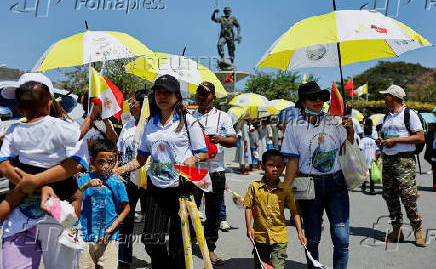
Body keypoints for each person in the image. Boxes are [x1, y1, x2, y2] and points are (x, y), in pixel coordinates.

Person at [115, 75, 208, 269]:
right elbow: (141, 158)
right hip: (156, 189)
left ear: (177, 96)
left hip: (182, 188)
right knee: (152, 242)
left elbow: (203, 153)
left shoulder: (188, 121)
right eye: (159, 92)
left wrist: (193, 159)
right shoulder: (150, 123)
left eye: (167, 93)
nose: (162, 96)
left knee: (178, 245)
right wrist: (120, 169)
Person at [0, 74, 87, 269]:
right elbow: (4, 165)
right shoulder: (14, 131)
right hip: (21, 217)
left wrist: (33, 182)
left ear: (49, 101)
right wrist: (37, 187)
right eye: (21, 100)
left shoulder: (67, 128)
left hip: (59, 216)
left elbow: (75, 165)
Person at [281, 81, 354, 269]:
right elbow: (293, 162)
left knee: (341, 238)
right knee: (312, 238)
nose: (319, 101)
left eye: (321, 97)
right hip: (307, 185)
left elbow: (347, 150)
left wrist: (350, 129)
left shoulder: (335, 121)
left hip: (336, 183)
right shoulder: (294, 127)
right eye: (312, 98)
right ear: (302, 102)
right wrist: (284, 191)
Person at [192, 81, 237, 266]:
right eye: (198, 94)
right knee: (190, 211)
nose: (201, 97)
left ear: (213, 97)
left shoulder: (223, 117)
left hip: (216, 172)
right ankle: (190, 241)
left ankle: (210, 248)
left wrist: (219, 139)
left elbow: (233, 140)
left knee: (213, 214)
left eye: (205, 94)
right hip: (194, 172)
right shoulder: (188, 117)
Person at [377, 84, 426, 247]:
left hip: (404, 161)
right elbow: (386, 136)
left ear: (395, 97)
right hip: (388, 160)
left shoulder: (409, 114)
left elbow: (420, 138)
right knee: (389, 196)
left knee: (408, 196)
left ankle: (418, 229)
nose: (385, 98)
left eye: (387, 96)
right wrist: (382, 142)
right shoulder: (387, 117)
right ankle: (397, 230)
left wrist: (395, 140)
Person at [244, 149, 306, 269]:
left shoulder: (285, 190)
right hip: (260, 237)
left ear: (284, 167)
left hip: (279, 237)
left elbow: (294, 211)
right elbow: (248, 206)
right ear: (262, 166)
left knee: (278, 266)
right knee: (261, 266)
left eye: (279, 166)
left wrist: (300, 233)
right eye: (271, 165)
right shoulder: (255, 187)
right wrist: (249, 227)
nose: (275, 169)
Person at [78, 139, 130, 269]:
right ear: (92, 161)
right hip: (85, 236)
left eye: (110, 162)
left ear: (115, 161)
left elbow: (126, 208)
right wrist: (86, 185)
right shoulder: (84, 179)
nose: (106, 166)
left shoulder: (117, 182)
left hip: (109, 237)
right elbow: (74, 199)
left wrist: (113, 226)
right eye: (101, 161)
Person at [117, 89, 149, 269]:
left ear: (144, 105)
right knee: (125, 220)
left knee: (152, 223)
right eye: (129, 102)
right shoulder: (128, 125)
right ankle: (124, 260)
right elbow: (120, 150)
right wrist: (119, 171)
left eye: (133, 102)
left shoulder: (152, 124)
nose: (130, 106)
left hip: (149, 180)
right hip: (129, 178)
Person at [359, 126, 380, 195]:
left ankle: (363, 186)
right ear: (371, 132)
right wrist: (376, 158)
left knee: (365, 174)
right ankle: (372, 189)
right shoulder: (374, 141)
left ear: (364, 132)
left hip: (364, 159)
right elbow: (378, 151)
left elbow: (360, 149)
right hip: (372, 160)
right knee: (372, 175)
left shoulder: (362, 140)